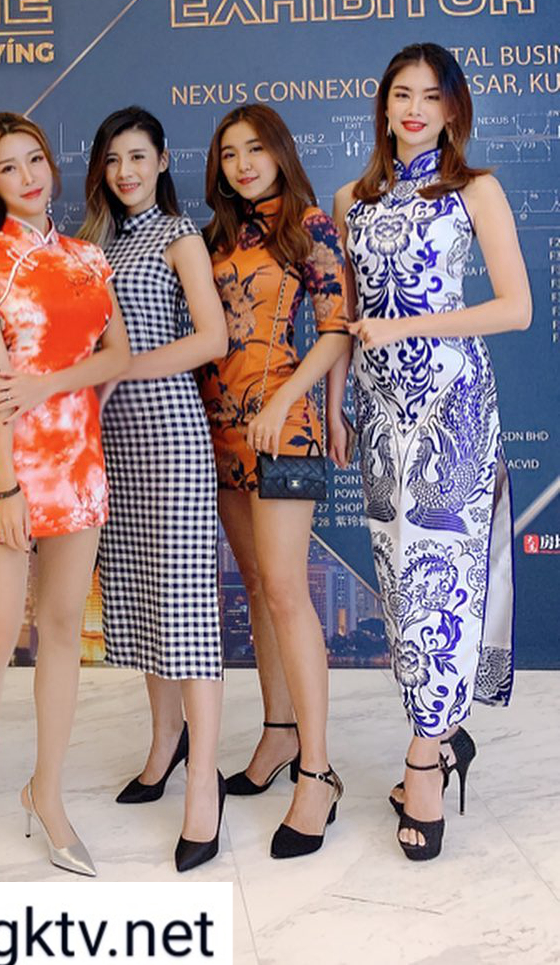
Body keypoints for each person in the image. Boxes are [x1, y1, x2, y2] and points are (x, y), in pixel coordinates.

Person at [331, 42, 530, 861]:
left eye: (431, 96)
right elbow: (346, 316)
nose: (415, 109)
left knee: (439, 581)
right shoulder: (350, 199)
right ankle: (445, 737)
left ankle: (423, 760)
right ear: (383, 107)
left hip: (453, 405)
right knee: (397, 583)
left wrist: (408, 326)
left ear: (453, 110)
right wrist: (335, 404)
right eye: (401, 94)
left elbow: (515, 308)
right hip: (378, 411)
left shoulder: (475, 189)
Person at [0, 112, 129, 882]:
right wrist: (7, 487)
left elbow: (116, 355)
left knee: (62, 631)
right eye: (8, 168)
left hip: (79, 462)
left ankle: (46, 795)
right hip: (10, 466)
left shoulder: (88, 257)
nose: (28, 177)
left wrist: (52, 383)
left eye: (35, 160)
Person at [199, 104, 350, 859]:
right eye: (229, 154)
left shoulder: (309, 226)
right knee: (258, 585)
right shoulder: (215, 239)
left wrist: (302, 404)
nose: (243, 164)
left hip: (282, 429)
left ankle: (318, 773)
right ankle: (278, 734)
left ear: (280, 152)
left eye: (255, 148)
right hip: (220, 430)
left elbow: (336, 330)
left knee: (287, 591)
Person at [81, 106, 229, 871]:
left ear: (163, 160)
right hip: (110, 440)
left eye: (138, 156)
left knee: (187, 606)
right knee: (140, 596)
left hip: (170, 433)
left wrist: (122, 368)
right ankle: (165, 742)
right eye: (113, 160)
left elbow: (212, 337)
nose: (126, 172)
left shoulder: (178, 235)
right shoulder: (92, 244)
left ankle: (204, 781)